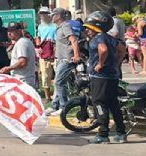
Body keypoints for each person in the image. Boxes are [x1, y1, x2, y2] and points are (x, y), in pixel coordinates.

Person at [84, 11, 125, 144]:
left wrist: (100, 64)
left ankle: (103, 134)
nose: (87, 31)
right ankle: (121, 133)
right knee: (114, 104)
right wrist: (117, 63)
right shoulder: (111, 37)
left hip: (100, 77)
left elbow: (103, 50)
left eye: (89, 28)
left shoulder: (99, 38)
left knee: (99, 103)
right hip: (112, 76)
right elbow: (122, 49)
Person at [50, 8, 80, 115]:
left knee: (59, 82)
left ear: (58, 16)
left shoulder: (65, 26)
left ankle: (64, 108)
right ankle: (55, 106)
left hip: (66, 59)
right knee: (58, 82)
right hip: (60, 59)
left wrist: (76, 55)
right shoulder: (58, 28)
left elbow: (74, 40)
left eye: (53, 15)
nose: (51, 17)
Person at [0, 22, 38, 90]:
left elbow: (22, 62)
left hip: (23, 80)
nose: (9, 33)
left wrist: (9, 68)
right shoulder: (25, 41)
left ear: (19, 31)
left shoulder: (21, 43)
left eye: (12, 31)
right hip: (24, 80)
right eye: (8, 31)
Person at [36, 7, 57, 105]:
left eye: (45, 13)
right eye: (41, 13)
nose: (43, 15)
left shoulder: (55, 25)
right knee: (45, 76)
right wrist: (38, 46)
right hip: (44, 52)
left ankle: (57, 96)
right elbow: (38, 37)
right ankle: (48, 97)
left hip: (55, 51)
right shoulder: (40, 26)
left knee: (58, 75)